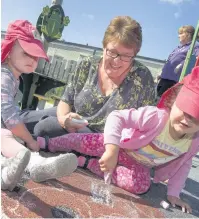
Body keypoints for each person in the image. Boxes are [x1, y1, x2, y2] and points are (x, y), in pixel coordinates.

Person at [35, 66, 199, 214]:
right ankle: (46, 144)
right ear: (172, 102)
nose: (188, 119)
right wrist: (112, 150)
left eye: (197, 117)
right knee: (81, 141)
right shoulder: (155, 117)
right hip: (118, 145)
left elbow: (184, 164)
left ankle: (84, 162)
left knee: (141, 186)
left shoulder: (193, 142)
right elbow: (116, 117)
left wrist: (173, 194)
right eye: (185, 110)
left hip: (137, 163)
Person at [33, 16, 155, 138]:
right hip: (73, 118)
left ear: (135, 54)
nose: (117, 61)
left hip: (103, 139)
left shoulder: (142, 78)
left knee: (44, 128)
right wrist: (63, 119)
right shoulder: (87, 65)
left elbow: (144, 125)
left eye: (126, 56)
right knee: (23, 120)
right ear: (103, 46)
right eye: (112, 52)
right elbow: (66, 100)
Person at [1, 20, 78, 191]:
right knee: (7, 135)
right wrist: (30, 140)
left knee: (8, 138)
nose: (33, 60)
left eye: (35, 56)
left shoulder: (12, 76)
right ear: (9, 49)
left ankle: (11, 172)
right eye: (26, 53)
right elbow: (9, 116)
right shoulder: (4, 76)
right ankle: (35, 165)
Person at [157, 25, 199, 97]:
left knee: (162, 101)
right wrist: (162, 71)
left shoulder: (194, 46)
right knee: (157, 97)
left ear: (187, 34)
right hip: (164, 78)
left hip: (173, 80)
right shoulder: (177, 48)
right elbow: (169, 60)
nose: (178, 36)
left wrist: (181, 65)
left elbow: (194, 59)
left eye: (181, 33)